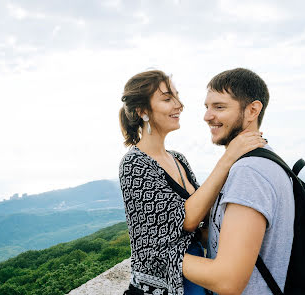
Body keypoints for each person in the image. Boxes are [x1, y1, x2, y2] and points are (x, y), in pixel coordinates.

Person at [119, 70, 266, 295]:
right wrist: (229, 157)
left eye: (177, 96)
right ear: (142, 111)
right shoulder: (135, 164)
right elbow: (186, 220)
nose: (179, 105)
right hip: (160, 287)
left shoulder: (178, 159)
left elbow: (203, 212)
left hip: (196, 276)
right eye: (168, 99)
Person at [182, 68, 295, 295]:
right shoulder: (256, 162)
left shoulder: (250, 172)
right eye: (207, 107)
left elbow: (227, 281)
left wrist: (157, 254)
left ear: (253, 110)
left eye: (219, 107)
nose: (207, 116)